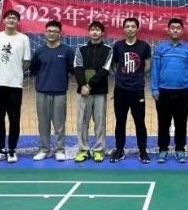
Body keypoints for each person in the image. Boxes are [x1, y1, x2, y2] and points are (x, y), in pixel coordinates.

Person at [0, 9, 31, 164]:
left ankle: (11, 150)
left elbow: (26, 62)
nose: (11, 20)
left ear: (18, 22)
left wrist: (14, 72)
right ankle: (0, 150)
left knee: (14, 118)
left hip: (15, 85)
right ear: (3, 20)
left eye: (14, 18)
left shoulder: (24, 39)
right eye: (9, 17)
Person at [151, 18, 188, 164]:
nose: (175, 30)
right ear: (168, 30)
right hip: (163, 92)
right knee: (163, 123)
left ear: (182, 31)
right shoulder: (160, 48)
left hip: (183, 92)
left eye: (178, 28)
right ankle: (163, 149)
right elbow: (155, 70)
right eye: (172, 27)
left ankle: (180, 149)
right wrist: (154, 88)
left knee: (181, 123)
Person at [29, 20, 74, 162]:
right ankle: (44, 149)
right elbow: (33, 69)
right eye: (49, 31)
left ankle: (60, 150)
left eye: (55, 31)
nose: (52, 33)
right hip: (42, 91)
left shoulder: (67, 51)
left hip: (60, 92)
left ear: (60, 33)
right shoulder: (39, 51)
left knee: (59, 124)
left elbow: (72, 69)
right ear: (45, 33)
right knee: (43, 123)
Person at [110, 17, 152, 164]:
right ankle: (119, 150)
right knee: (120, 121)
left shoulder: (144, 46)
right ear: (124, 29)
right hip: (120, 91)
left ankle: (143, 151)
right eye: (127, 26)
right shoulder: (118, 46)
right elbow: (115, 65)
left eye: (133, 26)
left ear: (137, 28)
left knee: (140, 122)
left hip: (137, 90)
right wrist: (123, 77)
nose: (130, 29)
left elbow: (147, 66)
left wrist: (136, 76)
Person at [73, 21, 112, 163]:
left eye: (97, 30)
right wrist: (82, 85)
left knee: (100, 122)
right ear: (89, 32)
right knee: (82, 122)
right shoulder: (80, 49)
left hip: (99, 92)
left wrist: (89, 85)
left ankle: (99, 150)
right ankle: (83, 150)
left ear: (102, 33)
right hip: (83, 92)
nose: (95, 32)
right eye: (92, 29)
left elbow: (105, 70)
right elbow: (77, 67)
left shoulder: (108, 50)